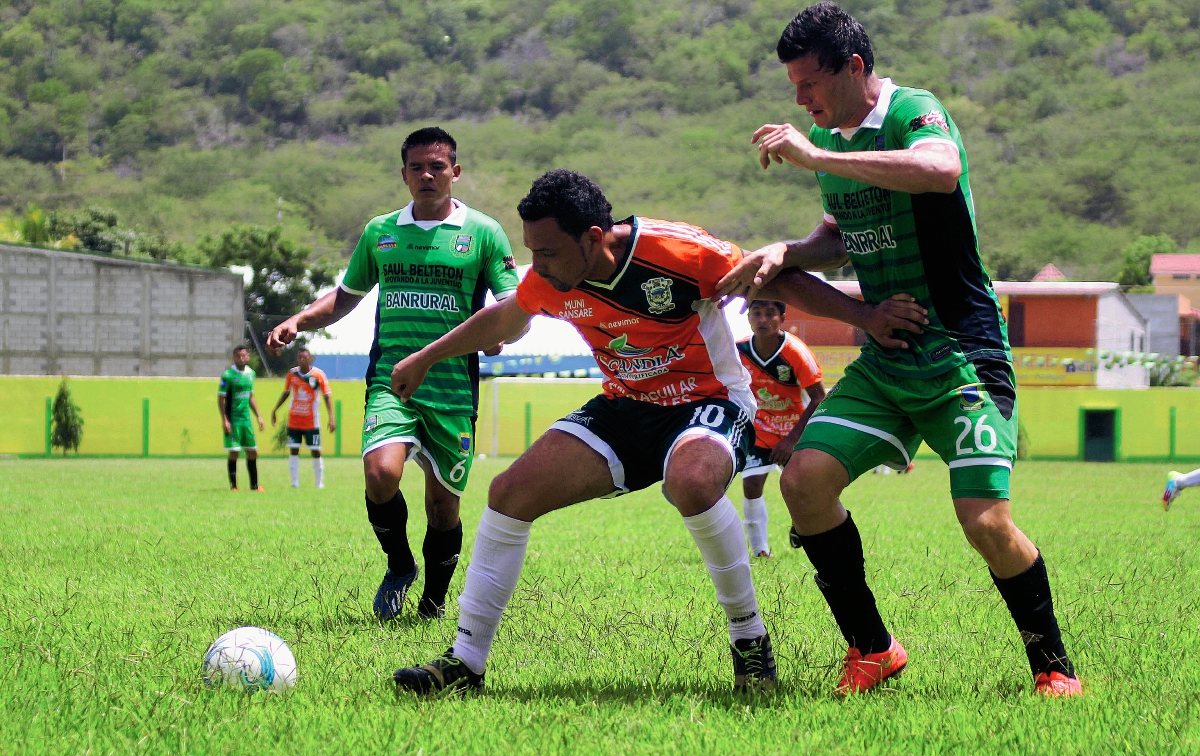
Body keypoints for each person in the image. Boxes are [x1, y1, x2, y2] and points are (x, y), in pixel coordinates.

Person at [387, 169, 918, 695]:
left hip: (708, 403)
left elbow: (773, 279)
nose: (538, 265)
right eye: (533, 252)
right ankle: (465, 663)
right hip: (624, 410)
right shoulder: (548, 279)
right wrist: (426, 357)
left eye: (547, 251)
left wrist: (865, 317)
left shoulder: (677, 251)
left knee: (690, 482)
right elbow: (503, 321)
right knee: (507, 494)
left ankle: (751, 644)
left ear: (593, 238)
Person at [715, 2, 1081, 696]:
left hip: (962, 354)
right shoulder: (831, 136)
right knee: (804, 480)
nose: (800, 99)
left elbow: (939, 170)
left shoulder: (914, 111)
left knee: (986, 522)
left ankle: (1053, 667)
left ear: (853, 68)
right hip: (887, 361)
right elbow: (838, 233)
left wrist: (819, 155)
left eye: (810, 83)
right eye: (793, 86)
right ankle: (873, 648)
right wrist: (789, 252)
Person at [267, 127, 520, 621]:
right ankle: (400, 564)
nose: (427, 175)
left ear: (455, 172)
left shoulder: (484, 233)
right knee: (381, 474)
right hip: (392, 380)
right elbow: (345, 297)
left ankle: (433, 601)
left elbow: (513, 305)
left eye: (437, 166)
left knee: (443, 508)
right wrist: (299, 318)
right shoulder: (380, 231)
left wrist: (503, 333)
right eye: (417, 167)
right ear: (404, 174)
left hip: (452, 389)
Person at [737, 299, 825, 558]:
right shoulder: (737, 350)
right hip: (758, 431)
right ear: (749, 317)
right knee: (751, 486)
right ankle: (761, 551)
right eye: (757, 313)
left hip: (793, 432)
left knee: (802, 489)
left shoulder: (796, 351)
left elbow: (820, 398)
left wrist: (791, 440)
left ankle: (801, 525)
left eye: (769, 314)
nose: (762, 319)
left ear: (782, 318)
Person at [270, 347, 335, 489]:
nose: (302, 360)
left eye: (305, 357)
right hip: (294, 420)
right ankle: (294, 483)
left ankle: (319, 483)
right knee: (294, 450)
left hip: (312, 421)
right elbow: (286, 393)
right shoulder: (292, 374)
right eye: (300, 357)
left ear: (310, 358)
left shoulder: (318, 375)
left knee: (316, 451)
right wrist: (275, 409)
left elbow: (326, 396)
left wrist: (332, 417)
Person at [219, 344, 265, 492]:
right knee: (234, 452)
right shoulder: (228, 375)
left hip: (247, 420)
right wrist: (225, 420)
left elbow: (251, 396)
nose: (241, 358)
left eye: (243, 356)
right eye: (238, 356)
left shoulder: (251, 374)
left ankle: (254, 486)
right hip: (234, 420)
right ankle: (234, 486)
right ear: (234, 357)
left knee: (253, 451)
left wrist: (258, 416)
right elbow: (221, 399)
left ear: (248, 357)